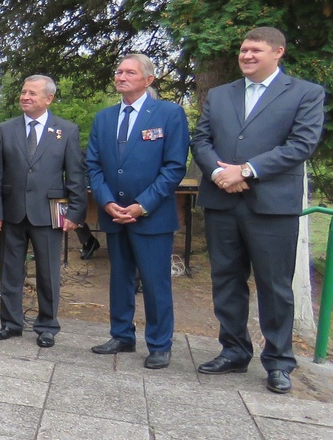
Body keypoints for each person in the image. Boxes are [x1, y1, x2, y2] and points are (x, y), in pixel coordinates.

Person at [191, 27, 325, 394]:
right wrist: (219, 172)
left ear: (278, 52)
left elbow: (302, 143)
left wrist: (247, 170)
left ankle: (279, 362)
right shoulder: (220, 95)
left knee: (274, 286)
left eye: (255, 50)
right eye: (243, 50)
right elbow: (201, 139)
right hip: (222, 202)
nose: (246, 56)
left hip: (271, 207)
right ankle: (233, 351)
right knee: (227, 281)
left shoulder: (305, 93)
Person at [85, 53, 189, 369]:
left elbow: (174, 167)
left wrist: (142, 205)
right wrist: (106, 202)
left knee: (155, 282)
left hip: (151, 215)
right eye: (118, 71)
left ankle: (159, 344)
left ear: (148, 79)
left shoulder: (169, 114)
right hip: (114, 213)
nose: (121, 76)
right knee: (120, 278)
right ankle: (122, 335)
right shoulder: (104, 118)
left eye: (129, 72)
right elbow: (93, 164)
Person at [0, 75, 87, 347]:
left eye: (32, 93)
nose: (25, 97)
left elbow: (75, 175)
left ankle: (47, 326)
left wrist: (75, 213)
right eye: (23, 92)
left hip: (49, 213)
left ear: (48, 98)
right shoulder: (6, 129)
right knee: (10, 270)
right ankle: (10, 323)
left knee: (48, 272)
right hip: (12, 212)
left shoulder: (65, 130)